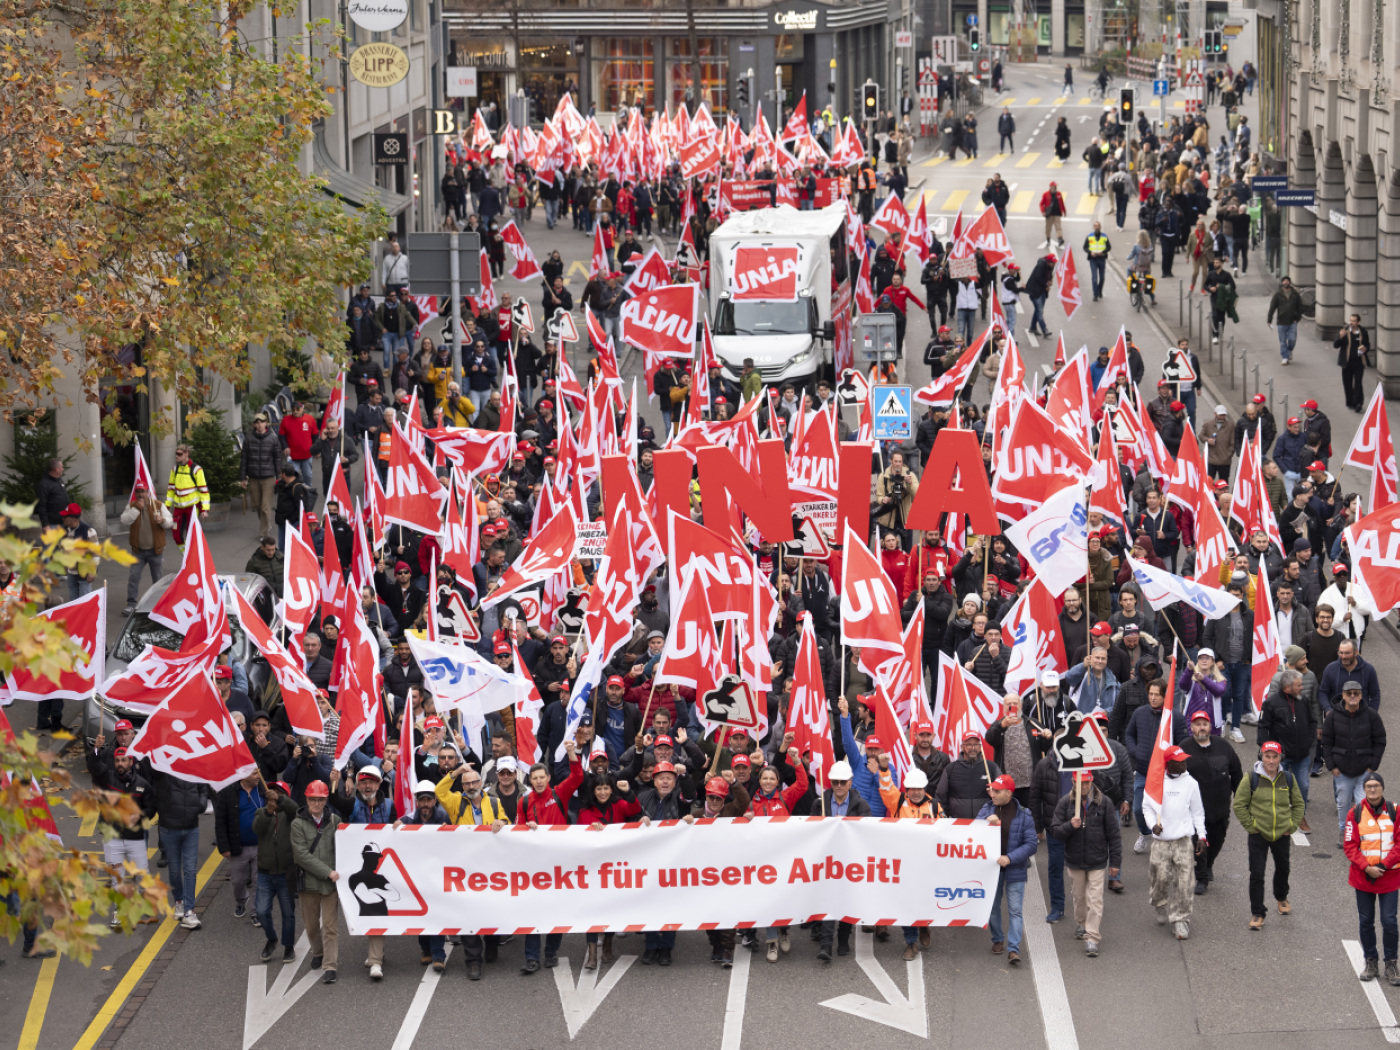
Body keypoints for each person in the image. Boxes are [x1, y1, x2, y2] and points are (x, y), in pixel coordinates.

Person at [1234, 740, 1305, 930]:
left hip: (1281, 833)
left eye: (1275, 757)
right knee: (1257, 873)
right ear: (1261, 757)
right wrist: (1251, 826)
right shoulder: (1251, 778)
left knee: (1283, 868)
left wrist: (1292, 825)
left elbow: (1299, 804)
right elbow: (1239, 805)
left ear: (1280, 758)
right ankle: (1257, 913)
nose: (1271, 761)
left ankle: (1281, 896)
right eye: (1267, 756)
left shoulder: (1288, 778)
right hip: (1258, 834)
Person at [1052, 770, 1121, 957]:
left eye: (1087, 783)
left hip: (1097, 860)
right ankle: (1081, 923)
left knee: (1095, 899)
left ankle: (1092, 937)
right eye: (1080, 783)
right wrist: (1069, 826)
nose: (1084, 787)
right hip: (1074, 860)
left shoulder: (1104, 802)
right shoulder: (1065, 802)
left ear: (1092, 782)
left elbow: (1114, 835)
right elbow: (1056, 831)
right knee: (1079, 897)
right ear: (1073, 781)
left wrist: (1115, 862)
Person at [1344, 770, 1400, 983]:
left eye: (1376, 786)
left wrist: (1383, 866)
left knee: (1389, 921)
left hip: (1389, 876)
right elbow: (1350, 846)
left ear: (1382, 788)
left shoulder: (1396, 811)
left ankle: (1392, 964)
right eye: (1369, 787)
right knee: (1366, 921)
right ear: (1364, 790)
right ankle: (1371, 962)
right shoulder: (1354, 813)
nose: (1373, 789)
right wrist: (1367, 867)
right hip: (1363, 877)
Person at [979, 774, 1038, 965]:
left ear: (1008, 792)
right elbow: (971, 833)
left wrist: (1010, 858)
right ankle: (997, 939)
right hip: (991, 870)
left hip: (1015, 870)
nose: (992, 793)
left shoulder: (1024, 814)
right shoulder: (986, 809)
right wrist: (985, 823)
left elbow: (1031, 844)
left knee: (1015, 910)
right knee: (993, 908)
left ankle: (1013, 949)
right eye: (992, 790)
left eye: (996, 791)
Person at [1182, 711, 1242, 895]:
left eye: (1204, 724)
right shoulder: (1184, 748)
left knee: (1216, 841)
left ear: (1210, 727)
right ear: (1191, 727)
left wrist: (1241, 797)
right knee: (1199, 842)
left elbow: (1237, 773)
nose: (1201, 727)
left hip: (1220, 807)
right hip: (1194, 810)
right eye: (1197, 724)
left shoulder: (1224, 747)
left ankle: (1208, 864)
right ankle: (1201, 878)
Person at [1323, 680, 1387, 848]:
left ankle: (1361, 835)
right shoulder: (1333, 717)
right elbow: (1326, 742)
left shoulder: (1372, 715)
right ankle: (1344, 831)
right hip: (1342, 772)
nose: (1352, 696)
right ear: (1343, 695)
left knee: (1363, 805)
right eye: (1349, 693)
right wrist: (1331, 766)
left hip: (1364, 771)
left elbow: (1380, 740)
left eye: (1356, 693)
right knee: (1343, 804)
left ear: (1361, 696)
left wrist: (1373, 765)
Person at [291, 780, 341, 983]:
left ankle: (330, 965)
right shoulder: (297, 824)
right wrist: (328, 872)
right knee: (311, 925)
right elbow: (301, 855)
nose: (316, 803)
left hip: (330, 886)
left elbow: (344, 845)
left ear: (325, 799)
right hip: (309, 884)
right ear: (307, 799)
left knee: (330, 926)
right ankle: (317, 953)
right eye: (313, 799)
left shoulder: (335, 820)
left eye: (320, 800)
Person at [118, 485, 173, 615]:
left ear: (148, 493)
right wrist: (137, 509)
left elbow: (171, 522)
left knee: (158, 580)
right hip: (138, 551)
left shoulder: (158, 505)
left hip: (156, 551)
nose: (141, 494)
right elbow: (124, 520)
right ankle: (131, 604)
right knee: (133, 578)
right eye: (138, 492)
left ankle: (158, 604)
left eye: (143, 492)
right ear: (135, 494)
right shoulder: (132, 506)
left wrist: (163, 520)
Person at [165, 443, 209, 547]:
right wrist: (166, 506)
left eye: (179, 454)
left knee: (191, 535)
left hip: (192, 507)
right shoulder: (174, 470)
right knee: (176, 535)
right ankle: (185, 556)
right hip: (178, 508)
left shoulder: (196, 469)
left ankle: (192, 559)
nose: (176, 456)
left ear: (186, 454)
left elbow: (204, 491)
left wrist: (204, 509)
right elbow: (171, 490)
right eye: (176, 454)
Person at [1335, 313, 1371, 412]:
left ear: (1358, 322)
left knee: (1358, 382)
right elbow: (1336, 345)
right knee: (1347, 383)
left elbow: (1367, 345)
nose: (1352, 323)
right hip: (1346, 362)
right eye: (1351, 320)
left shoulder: (1363, 332)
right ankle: (1350, 402)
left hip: (1358, 361)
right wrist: (1340, 337)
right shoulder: (1345, 331)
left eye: (1354, 321)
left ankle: (1358, 403)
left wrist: (1365, 349)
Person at [1083, 221, 1111, 301]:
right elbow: (1085, 247)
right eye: (1095, 226)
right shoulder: (1089, 236)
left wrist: (1103, 252)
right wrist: (1090, 252)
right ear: (1093, 227)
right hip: (1093, 259)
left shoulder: (1104, 236)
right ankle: (1095, 294)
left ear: (1100, 227)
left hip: (1102, 258)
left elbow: (1109, 247)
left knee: (1102, 277)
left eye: (1098, 226)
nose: (1097, 227)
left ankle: (1099, 291)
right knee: (1094, 278)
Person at [1040, 182, 1067, 249]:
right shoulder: (1045, 194)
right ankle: (1048, 239)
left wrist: (1064, 210)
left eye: (1056, 186)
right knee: (1048, 228)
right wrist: (1043, 211)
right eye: (1054, 186)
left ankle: (1060, 239)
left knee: (1058, 227)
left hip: (1057, 214)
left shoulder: (1059, 194)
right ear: (1050, 187)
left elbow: (1062, 202)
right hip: (1049, 215)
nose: (1055, 187)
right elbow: (1041, 204)